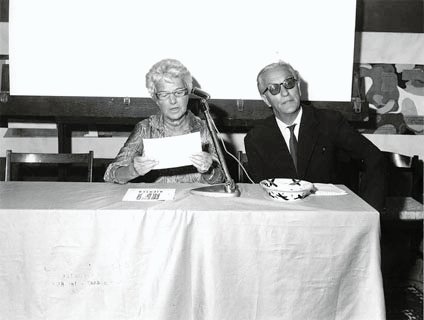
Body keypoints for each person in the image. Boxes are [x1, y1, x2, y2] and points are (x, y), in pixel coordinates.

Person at [244, 61, 386, 211]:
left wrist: (367, 211)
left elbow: (375, 159)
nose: (285, 93)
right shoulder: (256, 139)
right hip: (283, 220)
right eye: (274, 89)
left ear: (298, 87)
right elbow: (261, 195)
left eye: (289, 83)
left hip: (332, 216)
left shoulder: (331, 122)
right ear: (266, 99)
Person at [104, 58, 224, 184]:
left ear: (188, 94)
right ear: (155, 99)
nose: (172, 101)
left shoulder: (205, 128)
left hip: (195, 200)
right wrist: (133, 170)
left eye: (178, 92)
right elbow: (110, 175)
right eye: (164, 94)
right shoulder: (145, 128)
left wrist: (209, 170)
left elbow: (223, 179)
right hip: (158, 202)